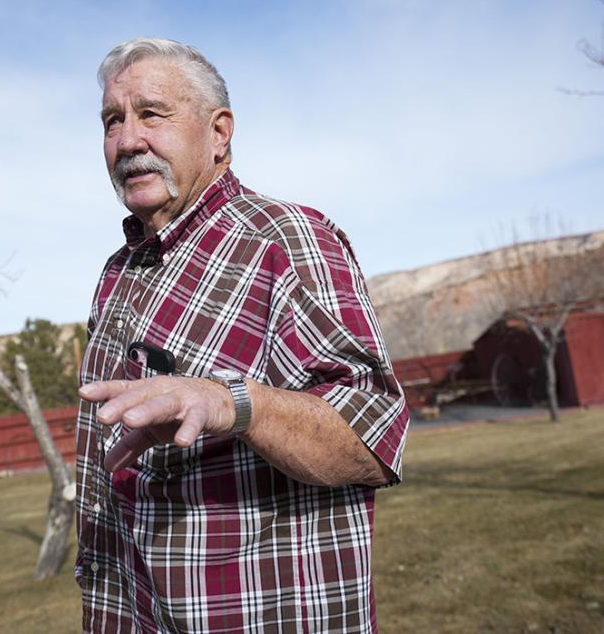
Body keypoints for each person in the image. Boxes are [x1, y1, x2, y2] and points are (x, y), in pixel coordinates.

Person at [76, 38, 408, 633]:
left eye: (151, 113)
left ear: (219, 133)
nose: (127, 140)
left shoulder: (286, 240)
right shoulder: (117, 273)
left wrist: (230, 403)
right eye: (112, 121)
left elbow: (373, 441)